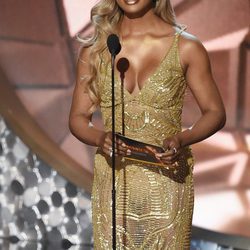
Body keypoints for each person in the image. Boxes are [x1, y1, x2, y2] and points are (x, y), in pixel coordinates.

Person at [69, 0, 226, 249]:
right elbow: (78, 119)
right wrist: (100, 138)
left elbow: (215, 112)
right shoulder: (97, 49)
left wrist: (182, 139)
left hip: (168, 183)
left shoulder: (186, 47)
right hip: (114, 184)